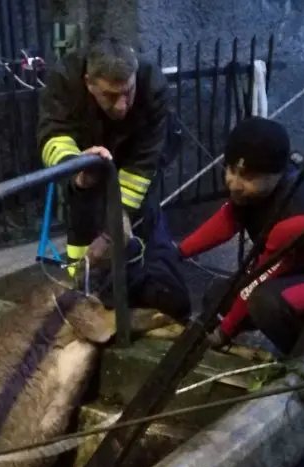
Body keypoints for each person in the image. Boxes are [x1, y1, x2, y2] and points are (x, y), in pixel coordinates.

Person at [37, 36, 191, 322]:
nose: (122, 105)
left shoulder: (151, 83)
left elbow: (143, 164)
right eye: (110, 95)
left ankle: (149, 302)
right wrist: (78, 167)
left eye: (128, 93)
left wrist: (112, 233)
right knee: (83, 238)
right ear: (88, 83)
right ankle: (80, 296)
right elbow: (52, 136)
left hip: (137, 168)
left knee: (143, 233)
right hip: (86, 169)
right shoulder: (63, 81)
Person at [178, 116, 304, 355]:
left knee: (265, 302)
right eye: (231, 169)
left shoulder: (297, 217)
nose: (234, 183)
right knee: (217, 298)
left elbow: (260, 278)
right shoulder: (259, 189)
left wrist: (224, 332)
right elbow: (228, 219)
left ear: (276, 173)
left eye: (249, 177)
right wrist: (178, 252)